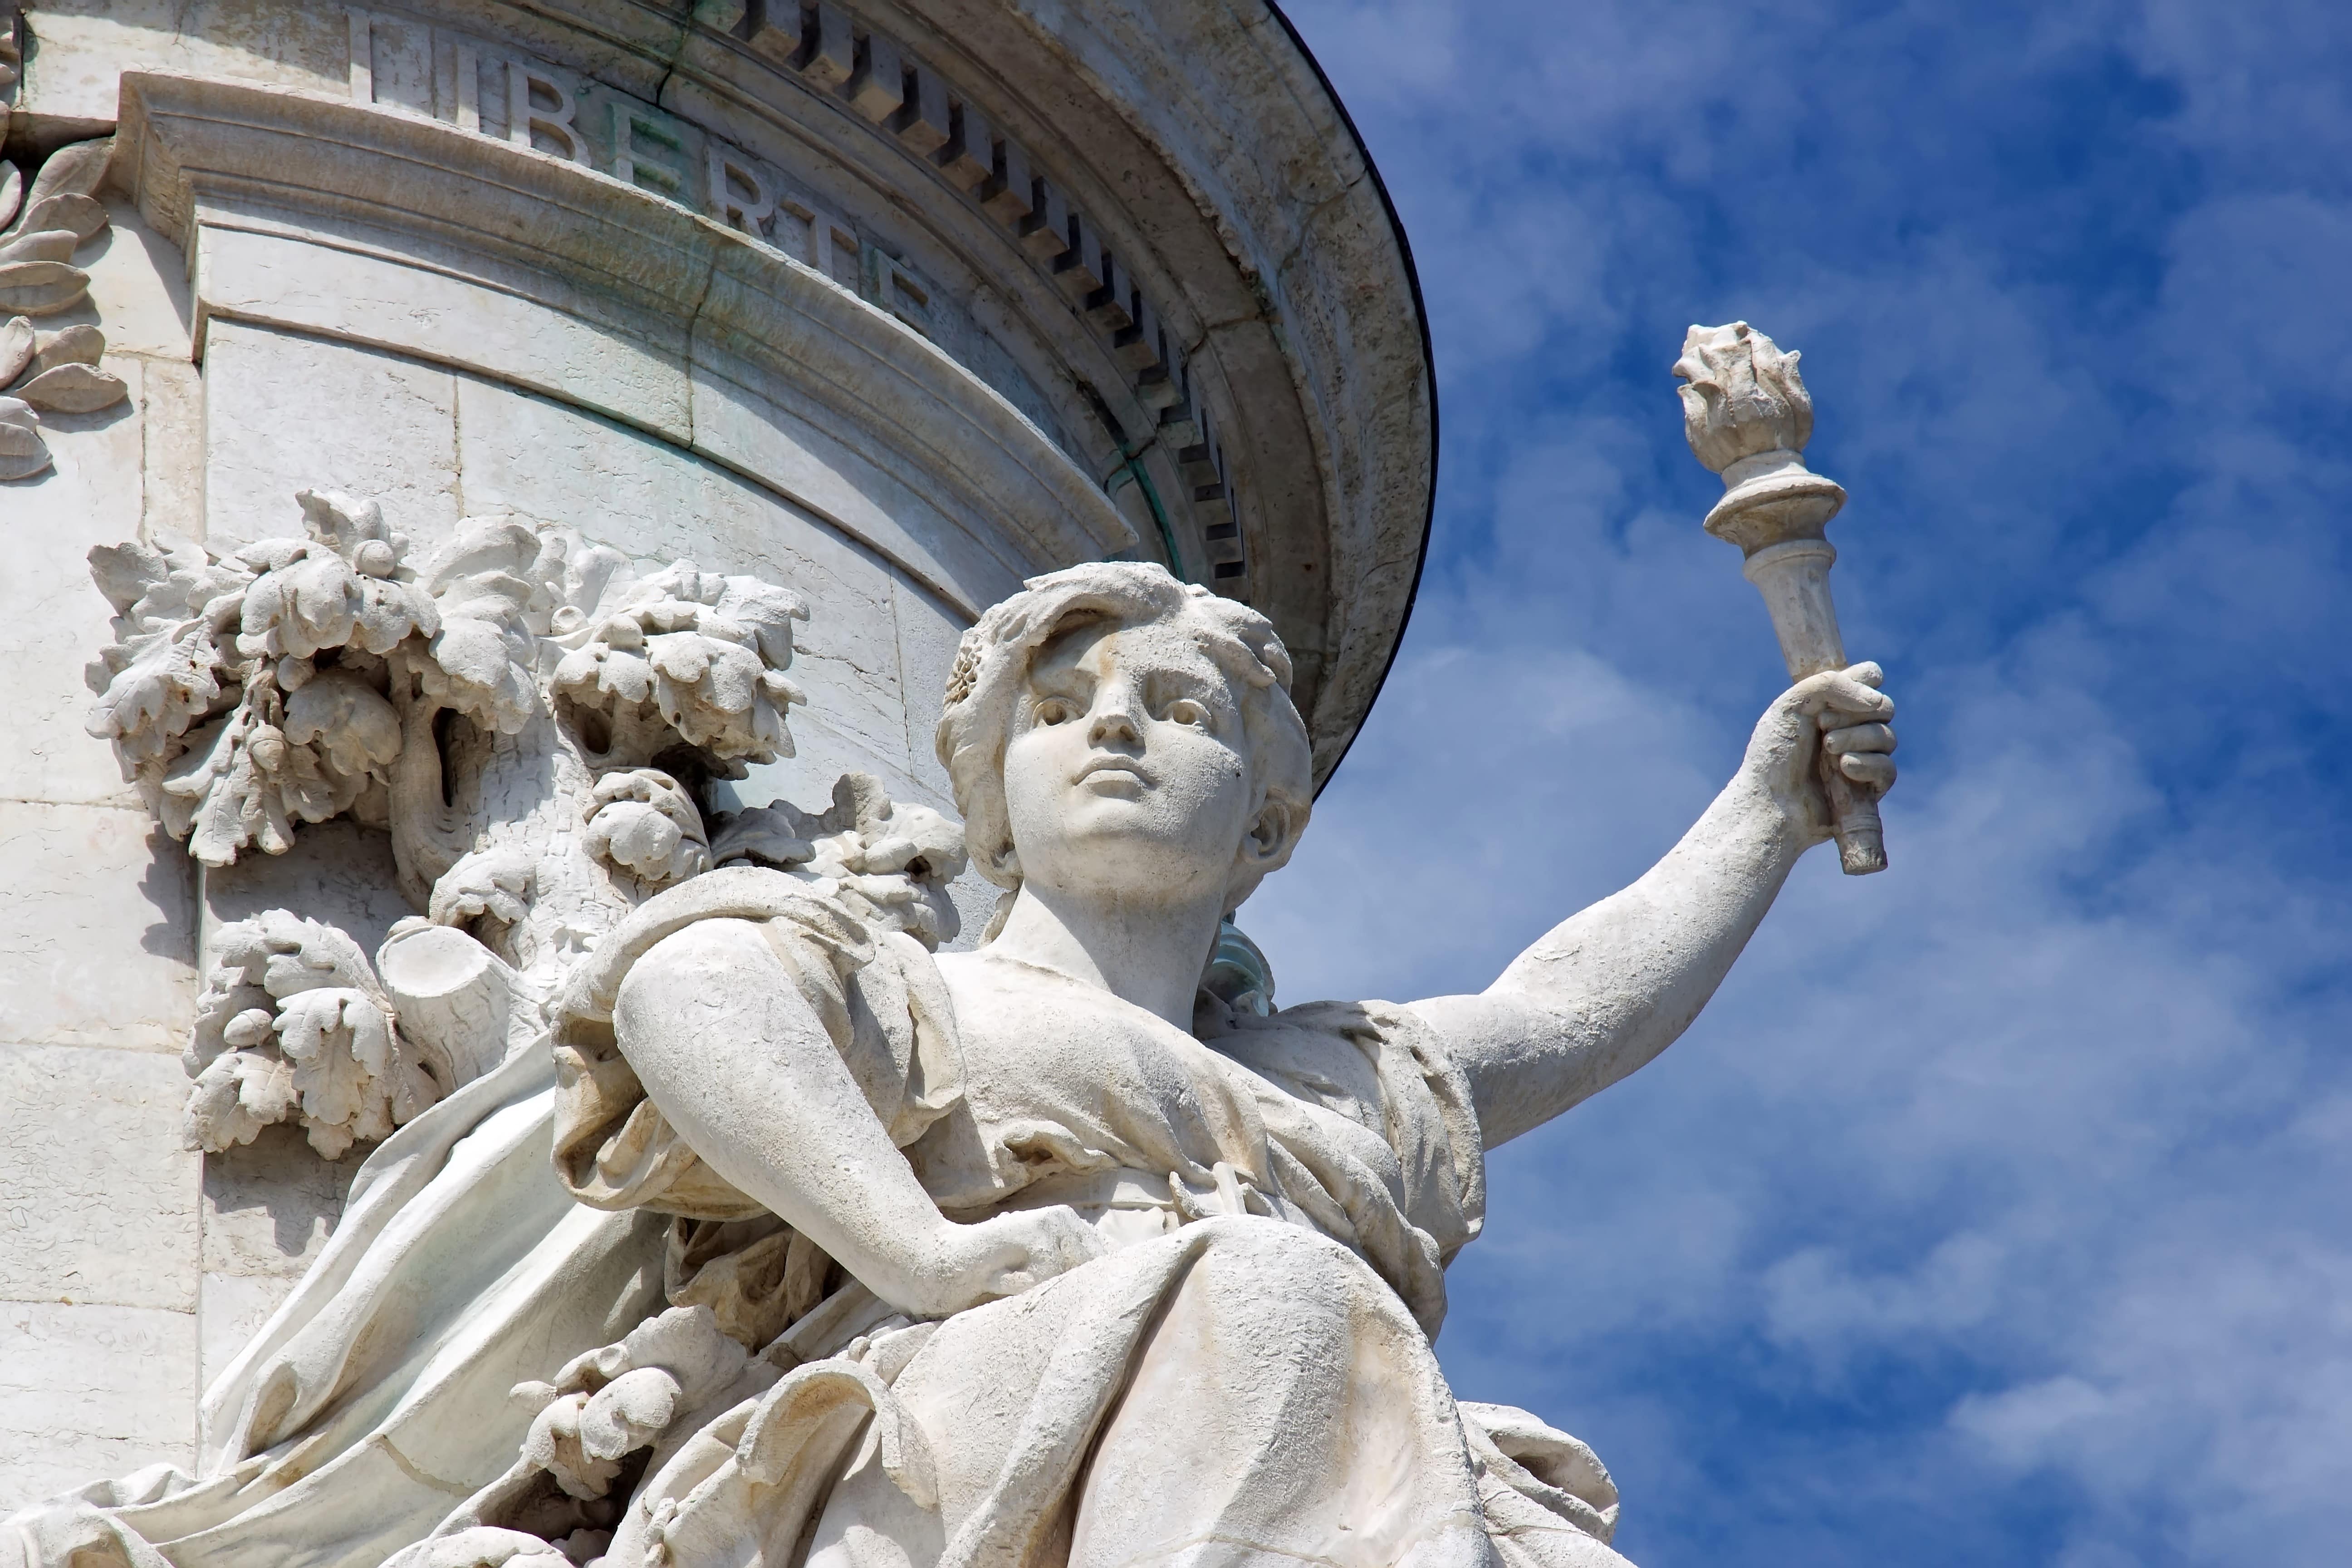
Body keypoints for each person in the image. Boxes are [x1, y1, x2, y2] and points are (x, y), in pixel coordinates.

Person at [3, 561, 1894, 1568]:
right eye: (1064, 715)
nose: (1117, 734)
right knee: (1263, 1289)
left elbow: (1576, 996)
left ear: (1275, 819)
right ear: (986, 801)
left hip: (1290, 1415)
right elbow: (692, 990)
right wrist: (927, 1253)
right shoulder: (904, 986)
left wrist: (1766, 806)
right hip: (953, 1416)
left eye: (1180, 711)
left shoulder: (1341, 1074)